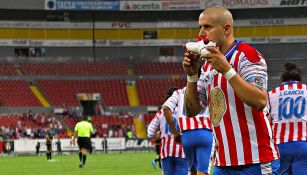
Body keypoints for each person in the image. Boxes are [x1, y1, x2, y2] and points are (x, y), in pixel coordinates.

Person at [182, 6, 279, 175]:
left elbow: (260, 101)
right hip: (223, 163)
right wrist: (191, 76)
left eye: (207, 27)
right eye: (200, 27)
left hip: (256, 161)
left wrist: (227, 70)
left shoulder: (247, 55)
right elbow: (191, 110)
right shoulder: (206, 66)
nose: (201, 33)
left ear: (226, 29)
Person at [163, 86, 213, 175]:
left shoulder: (178, 92)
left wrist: (175, 133)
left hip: (186, 135)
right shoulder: (207, 88)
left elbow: (166, 108)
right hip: (205, 133)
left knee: (192, 170)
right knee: (203, 171)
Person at [268, 62, 307, 175]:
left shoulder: (271, 94)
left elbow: (267, 121)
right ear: (299, 78)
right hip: (302, 144)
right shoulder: (305, 90)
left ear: (282, 78)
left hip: (280, 145)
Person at [147, 87, 188, 175]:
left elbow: (150, 132)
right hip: (182, 151)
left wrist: (160, 134)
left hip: (166, 152)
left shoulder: (161, 113)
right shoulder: (185, 111)